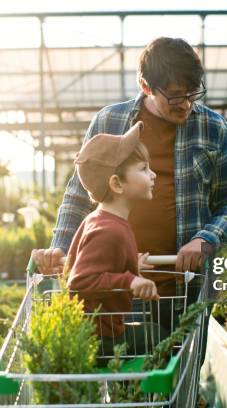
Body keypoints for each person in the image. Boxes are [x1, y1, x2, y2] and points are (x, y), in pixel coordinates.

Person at [34, 36, 227, 362]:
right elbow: (78, 196)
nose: (186, 104)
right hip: (116, 287)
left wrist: (206, 239)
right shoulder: (110, 122)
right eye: (175, 95)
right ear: (146, 86)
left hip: (183, 287)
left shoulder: (213, 128)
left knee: (178, 379)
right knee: (124, 382)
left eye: (193, 92)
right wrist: (61, 247)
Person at [64, 121, 166, 361]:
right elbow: (80, 280)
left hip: (98, 331)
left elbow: (93, 264)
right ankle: (136, 396)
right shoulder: (109, 230)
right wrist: (129, 279)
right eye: (143, 169)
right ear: (116, 183)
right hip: (98, 338)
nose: (152, 175)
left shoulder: (100, 219)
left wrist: (130, 264)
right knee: (158, 335)